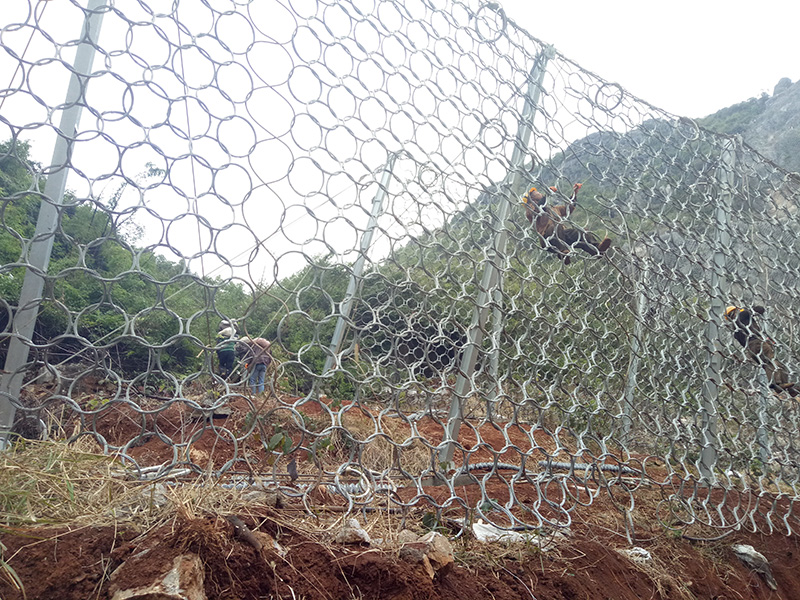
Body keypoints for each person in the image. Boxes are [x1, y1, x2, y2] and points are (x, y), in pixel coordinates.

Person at [522, 183, 612, 265]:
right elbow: (538, 208)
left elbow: (569, 208)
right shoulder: (531, 211)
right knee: (555, 226)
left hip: (562, 235)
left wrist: (574, 193)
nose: (539, 193)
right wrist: (547, 194)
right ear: (532, 199)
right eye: (536, 193)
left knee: (579, 233)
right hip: (547, 239)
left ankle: (597, 249)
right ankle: (563, 253)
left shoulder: (553, 209)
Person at [724, 305, 799, 397]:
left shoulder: (735, 327)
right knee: (771, 362)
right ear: (735, 311)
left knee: (774, 364)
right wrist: (747, 308)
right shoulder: (742, 315)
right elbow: (760, 309)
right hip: (757, 342)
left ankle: (789, 389)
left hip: (750, 349)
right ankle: (776, 384)